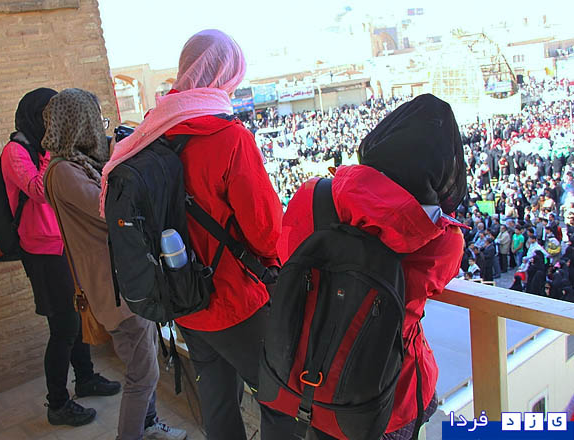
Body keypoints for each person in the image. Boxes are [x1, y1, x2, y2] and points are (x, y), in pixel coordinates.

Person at [100, 29, 296, 439]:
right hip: (233, 303)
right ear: (226, 74)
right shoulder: (230, 137)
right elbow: (265, 233)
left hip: (184, 296)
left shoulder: (153, 131)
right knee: (282, 402)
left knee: (218, 405)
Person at [277, 94, 467, 439]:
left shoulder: (312, 195)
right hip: (387, 397)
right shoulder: (444, 241)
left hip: (307, 377)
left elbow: (284, 252)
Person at [41, 88, 186, 440]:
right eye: (96, 121)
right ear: (80, 125)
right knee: (144, 374)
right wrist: (123, 157)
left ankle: (148, 425)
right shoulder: (64, 173)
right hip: (115, 290)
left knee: (144, 362)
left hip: (124, 281)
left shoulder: (78, 165)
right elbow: (110, 209)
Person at [0, 88, 120, 426]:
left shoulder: (47, 151)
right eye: (48, 116)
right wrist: (59, 157)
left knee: (78, 313)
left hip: (65, 243)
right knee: (64, 325)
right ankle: (57, 403)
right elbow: (40, 190)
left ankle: (85, 377)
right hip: (41, 251)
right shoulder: (15, 151)